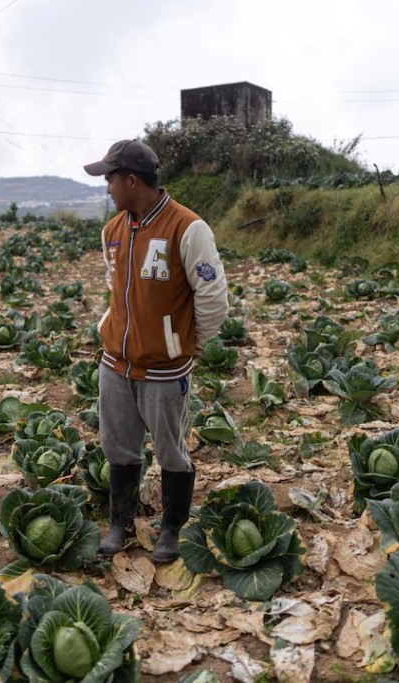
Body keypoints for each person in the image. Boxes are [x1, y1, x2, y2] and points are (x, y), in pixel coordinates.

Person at [84, 139, 229, 564]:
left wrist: (186, 342)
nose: (107, 186)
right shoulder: (112, 231)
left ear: (132, 180)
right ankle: (120, 523)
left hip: (165, 370)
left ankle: (171, 528)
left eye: (110, 178)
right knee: (118, 446)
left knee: (170, 449)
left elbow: (213, 296)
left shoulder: (188, 228)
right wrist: (106, 328)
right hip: (115, 363)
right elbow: (116, 292)